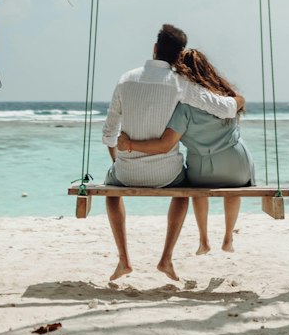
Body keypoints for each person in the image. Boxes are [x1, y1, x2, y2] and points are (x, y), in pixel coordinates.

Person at [100, 24, 242, 281]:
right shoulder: (180, 84)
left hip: (126, 172)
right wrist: (237, 101)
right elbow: (224, 109)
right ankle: (165, 259)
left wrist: (119, 160)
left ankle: (124, 260)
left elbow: (109, 133)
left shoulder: (125, 79)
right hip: (167, 174)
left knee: (111, 193)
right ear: (180, 56)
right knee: (183, 193)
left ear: (154, 49)